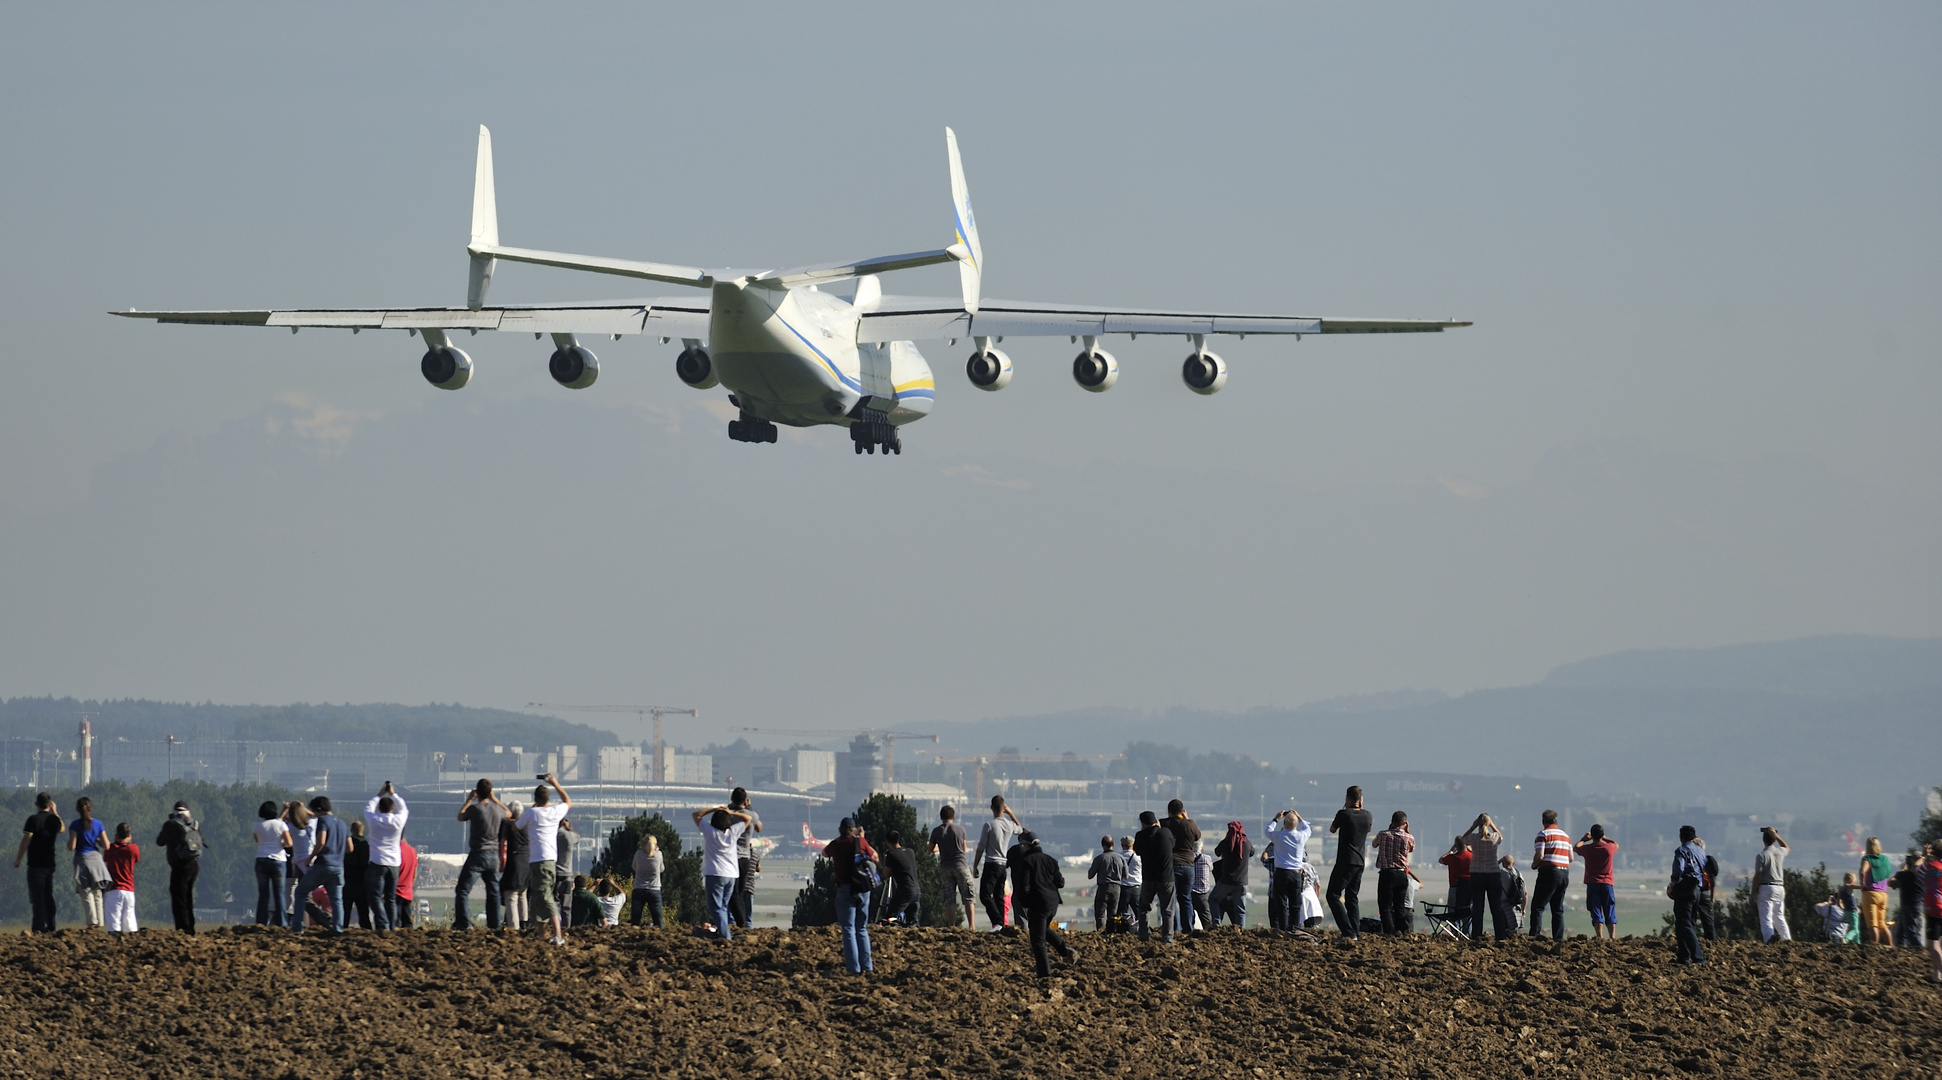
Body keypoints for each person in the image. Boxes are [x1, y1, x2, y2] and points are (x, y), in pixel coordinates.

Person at [1008, 830, 1076, 977]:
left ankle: (1044, 975)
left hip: (1038, 904)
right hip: (1053, 904)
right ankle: (1066, 951)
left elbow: (1024, 886)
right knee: (1043, 928)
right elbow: (1060, 882)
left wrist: (1024, 902)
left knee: (1038, 941)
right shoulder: (1051, 860)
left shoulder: (1027, 862)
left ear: (1026, 846)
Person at [515, 775, 573, 946]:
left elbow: (516, 826)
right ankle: (541, 933)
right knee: (539, 897)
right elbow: (568, 801)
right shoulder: (555, 812)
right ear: (548, 798)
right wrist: (555, 783)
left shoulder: (532, 813)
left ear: (535, 799)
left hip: (539, 860)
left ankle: (558, 934)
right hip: (547, 861)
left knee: (546, 898)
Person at [691, 802, 752, 941]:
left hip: (715, 872)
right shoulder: (733, 832)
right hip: (731, 874)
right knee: (723, 907)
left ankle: (725, 936)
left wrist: (713, 808)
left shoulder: (710, 831)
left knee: (715, 908)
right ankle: (721, 932)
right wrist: (731, 812)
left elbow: (696, 815)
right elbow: (747, 819)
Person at [822, 817, 877, 974]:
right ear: (854, 829)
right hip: (862, 888)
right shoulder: (860, 842)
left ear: (840, 829)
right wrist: (862, 840)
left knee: (848, 929)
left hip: (845, 888)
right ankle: (867, 966)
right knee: (862, 928)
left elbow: (824, 853)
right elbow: (875, 857)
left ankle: (854, 968)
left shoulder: (837, 844)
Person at [454, 779, 506, 931]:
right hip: (493, 855)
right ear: (490, 792)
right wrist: (495, 799)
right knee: (493, 891)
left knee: (463, 890)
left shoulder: (475, 809)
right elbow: (508, 813)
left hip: (478, 853)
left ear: (477, 792)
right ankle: (494, 925)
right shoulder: (498, 810)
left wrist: (469, 799)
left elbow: (460, 816)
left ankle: (464, 924)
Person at [296, 795, 350, 934]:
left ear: (319, 810)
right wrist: (337, 850)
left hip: (324, 864)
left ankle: (297, 927)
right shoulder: (343, 824)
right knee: (337, 900)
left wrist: (310, 858)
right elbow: (350, 848)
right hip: (338, 866)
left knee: (301, 892)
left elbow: (321, 841)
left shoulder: (323, 820)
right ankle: (338, 929)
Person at [1327, 787, 1373, 942]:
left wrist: (1345, 808)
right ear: (1361, 799)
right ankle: (1356, 932)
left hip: (1345, 860)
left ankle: (1347, 932)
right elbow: (1369, 828)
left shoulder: (1343, 814)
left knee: (1332, 895)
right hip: (1360, 861)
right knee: (1352, 897)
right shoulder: (1367, 815)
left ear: (1347, 798)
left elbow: (1332, 829)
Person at [361, 782, 410, 931]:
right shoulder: (398, 821)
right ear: (392, 808)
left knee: (375, 897)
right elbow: (404, 808)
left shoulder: (374, 820)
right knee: (390, 898)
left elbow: (368, 808)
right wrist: (393, 794)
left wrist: (379, 794)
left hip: (377, 862)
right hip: (394, 863)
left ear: (380, 808)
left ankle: (382, 924)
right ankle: (392, 926)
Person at [972, 796, 1023, 929]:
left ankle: (998, 921)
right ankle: (1002, 924)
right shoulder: (1009, 825)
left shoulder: (989, 825)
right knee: (999, 896)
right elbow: (1020, 829)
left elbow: (981, 847)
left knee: (985, 895)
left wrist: (975, 865)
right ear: (1003, 808)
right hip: (1003, 866)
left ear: (991, 808)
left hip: (991, 863)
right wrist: (1011, 813)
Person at [15, 793, 64, 933]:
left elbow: (26, 840)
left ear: (36, 804)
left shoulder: (32, 820)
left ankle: (38, 927)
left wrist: (19, 858)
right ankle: (51, 925)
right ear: (50, 804)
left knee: (38, 897)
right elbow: (62, 829)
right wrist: (55, 812)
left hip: (35, 864)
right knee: (48, 895)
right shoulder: (54, 821)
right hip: (50, 864)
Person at [155, 801, 203, 934]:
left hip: (179, 866)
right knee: (188, 896)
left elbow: (160, 841)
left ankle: (183, 928)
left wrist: (169, 824)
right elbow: (201, 840)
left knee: (178, 898)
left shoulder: (171, 825)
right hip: (194, 864)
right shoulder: (194, 824)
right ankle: (190, 926)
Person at [1132, 810, 1177, 944]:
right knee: (1167, 910)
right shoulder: (1166, 832)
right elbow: (1173, 844)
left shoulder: (1140, 835)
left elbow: (1137, 851)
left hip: (1148, 878)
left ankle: (1144, 935)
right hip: (1167, 878)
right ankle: (1167, 938)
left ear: (1142, 823)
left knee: (1144, 908)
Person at [1528, 810, 1573, 942]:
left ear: (1543, 821)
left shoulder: (1543, 834)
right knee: (1557, 909)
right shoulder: (1566, 836)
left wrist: (1534, 865)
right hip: (1564, 872)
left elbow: (1540, 855)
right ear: (1556, 821)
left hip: (1549, 871)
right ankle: (1558, 938)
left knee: (1538, 906)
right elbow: (1571, 858)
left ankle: (1534, 936)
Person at [1463, 814, 1509, 942]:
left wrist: (1473, 827)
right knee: (1496, 907)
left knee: (1478, 907)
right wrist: (1492, 825)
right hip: (1493, 874)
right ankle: (1500, 935)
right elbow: (1501, 836)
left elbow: (1462, 840)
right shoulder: (1494, 838)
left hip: (1477, 874)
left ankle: (1477, 935)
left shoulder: (1473, 838)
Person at [927, 804, 975, 931]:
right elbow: (963, 849)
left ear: (941, 817)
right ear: (953, 816)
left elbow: (930, 849)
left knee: (950, 899)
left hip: (945, 867)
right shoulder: (960, 830)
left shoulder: (937, 831)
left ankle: (951, 926)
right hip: (960, 865)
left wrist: (940, 848)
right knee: (968, 897)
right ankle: (971, 926)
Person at [1265, 809, 1313, 933]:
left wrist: (1276, 819)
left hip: (1281, 872)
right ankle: (1295, 928)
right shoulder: (1301, 836)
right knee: (1295, 904)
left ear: (1284, 823)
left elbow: (1267, 831)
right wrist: (1299, 816)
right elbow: (1308, 828)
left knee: (1281, 903)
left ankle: (1283, 928)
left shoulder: (1279, 836)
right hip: (1296, 873)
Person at [68, 797, 111, 929]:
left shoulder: (75, 825)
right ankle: (99, 922)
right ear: (90, 809)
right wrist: (96, 841)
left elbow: (72, 846)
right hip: (96, 860)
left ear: (77, 810)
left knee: (86, 892)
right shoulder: (98, 824)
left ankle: (92, 922)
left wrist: (69, 841)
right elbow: (107, 845)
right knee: (97, 892)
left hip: (82, 860)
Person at [1161, 800, 1202, 935]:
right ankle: (1188, 928)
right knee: (1186, 898)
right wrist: (1188, 819)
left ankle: (1175, 928)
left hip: (1171, 864)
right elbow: (1198, 836)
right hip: (1188, 865)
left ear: (1169, 811)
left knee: (1171, 898)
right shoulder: (1189, 825)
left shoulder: (1164, 824)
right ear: (1182, 811)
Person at [1372, 811, 1416, 936]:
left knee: (1385, 905)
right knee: (1399, 905)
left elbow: (1374, 844)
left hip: (1387, 874)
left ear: (1392, 822)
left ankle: (1389, 931)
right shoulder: (1409, 837)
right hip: (1402, 874)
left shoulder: (1383, 834)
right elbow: (1412, 848)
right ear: (1405, 823)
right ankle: (1402, 930)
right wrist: (1407, 830)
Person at [1572, 824, 1619, 940]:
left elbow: (1576, 847)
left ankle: (1599, 936)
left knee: (1596, 909)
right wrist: (1605, 838)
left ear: (1592, 835)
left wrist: (1584, 839)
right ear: (1602, 835)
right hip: (1607, 883)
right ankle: (1612, 937)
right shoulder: (1609, 848)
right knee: (1609, 909)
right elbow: (1616, 844)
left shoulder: (1588, 849)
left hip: (1592, 883)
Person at [1669, 825, 1707, 964]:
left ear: (1681, 837)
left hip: (1685, 887)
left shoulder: (1682, 850)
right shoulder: (1700, 851)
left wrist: (1673, 885)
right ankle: (1683, 956)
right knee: (1686, 923)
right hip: (1697, 887)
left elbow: (1678, 869)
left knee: (1684, 923)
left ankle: (1698, 957)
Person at [251, 800, 292, 927]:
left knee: (263, 894)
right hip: (278, 860)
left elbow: (257, 840)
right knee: (279, 893)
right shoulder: (281, 825)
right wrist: (281, 844)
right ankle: (282, 923)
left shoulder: (257, 825)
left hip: (261, 859)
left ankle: (261, 922)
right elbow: (289, 843)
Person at [728, 787, 764, 930]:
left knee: (731, 893)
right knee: (741, 893)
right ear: (745, 800)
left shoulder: (728, 815)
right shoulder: (751, 815)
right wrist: (749, 808)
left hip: (731, 857)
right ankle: (742, 923)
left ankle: (736, 923)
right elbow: (760, 828)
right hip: (745, 857)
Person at [1750, 826, 1790, 943]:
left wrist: (1753, 894)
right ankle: (1786, 939)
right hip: (1780, 887)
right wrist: (1776, 835)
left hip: (1766, 887)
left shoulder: (1761, 855)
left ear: (1763, 840)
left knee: (1766, 916)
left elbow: (1757, 875)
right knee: (1779, 916)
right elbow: (1786, 847)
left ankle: (1769, 939)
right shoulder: (1779, 852)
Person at [1210, 820, 1253, 928]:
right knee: (1240, 909)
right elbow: (1252, 852)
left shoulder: (1226, 843)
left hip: (1226, 881)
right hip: (1242, 882)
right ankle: (1240, 930)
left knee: (1213, 899)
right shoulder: (1246, 843)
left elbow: (1217, 852)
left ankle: (1216, 923)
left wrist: (1226, 838)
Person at [282, 801, 314, 931]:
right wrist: (304, 809)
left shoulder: (291, 828)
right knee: (305, 896)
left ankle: (300, 924)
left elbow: (278, 823)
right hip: (311, 862)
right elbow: (317, 817)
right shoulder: (310, 826)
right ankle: (303, 922)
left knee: (302, 896)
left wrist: (284, 810)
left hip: (299, 865)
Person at [499, 799, 530, 933]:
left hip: (514, 862)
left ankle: (514, 928)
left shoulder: (507, 825)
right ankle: (524, 924)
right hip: (527, 862)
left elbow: (500, 836)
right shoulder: (527, 825)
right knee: (522, 893)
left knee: (511, 895)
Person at [103, 823, 139, 934]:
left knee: (114, 923)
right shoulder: (133, 849)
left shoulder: (111, 849)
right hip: (129, 890)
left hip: (114, 889)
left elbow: (106, 858)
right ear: (129, 835)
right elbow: (136, 859)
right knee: (130, 923)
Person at [880, 830, 920, 926]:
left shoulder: (891, 855)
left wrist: (886, 861)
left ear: (888, 842)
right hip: (916, 890)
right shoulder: (910, 852)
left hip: (904, 890)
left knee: (891, 917)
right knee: (912, 920)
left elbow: (886, 874)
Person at [1858, 837, 1893, 947]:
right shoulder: (1885, 859)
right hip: (1884, 894)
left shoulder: (1868, 858)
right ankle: (1891, 946)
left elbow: (1863, 871)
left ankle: (1874, 947)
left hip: (1871, 893)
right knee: (1882, 924)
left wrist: (1863, 884)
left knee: (1872, 924)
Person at [1086, 835, 1124, 930]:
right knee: (1113, 913)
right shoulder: (1121, 858)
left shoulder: (1099, 858)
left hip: (1104, 887)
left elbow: (1090, 875)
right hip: (1117, 888)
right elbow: (1126, 875)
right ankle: (1111, 931)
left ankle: (1101, 931)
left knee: (1100, 913)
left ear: (1102, 845)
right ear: (1113, 845)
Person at [1438, 836, 1473, 932]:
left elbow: (1441, 859)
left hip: (1454, 888)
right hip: (1468, 889)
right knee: (1467, 914)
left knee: (1453, 913)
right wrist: (1470, 850)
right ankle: (1467, 934)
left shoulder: (1453, 857)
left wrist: (1450, 851)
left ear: (1456, 846)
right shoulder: (1472, 856)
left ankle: (1455, 933)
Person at [1889, 854, 1924, 949]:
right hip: (1917, 905)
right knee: (1900, 932)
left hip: (1908, 906)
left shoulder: (1906, 874)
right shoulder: (1921, 876)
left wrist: (1900, 872)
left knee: (1910, 933)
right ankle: (1899, 950)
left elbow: (1891, 883)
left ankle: (1920, 951)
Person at [630, 833, 665, 928]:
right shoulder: (659, 855)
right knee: (658, 921)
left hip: (638, 888)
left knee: (635, 921)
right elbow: (661, 869)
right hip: (654, 889)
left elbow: (634, 867)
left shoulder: (638, 854)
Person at [344, 821, 373, 930]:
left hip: (348, 880)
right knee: (363, 910)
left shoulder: (347, 843)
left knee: (345, 909)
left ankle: (342, 928)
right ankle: (366, 929)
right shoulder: (366, 845)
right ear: (363, 831)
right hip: (362, 881)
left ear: (351, 830)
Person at [1920, 843, 1941, 983]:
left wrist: (1924, 856)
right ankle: (1936, 976)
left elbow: (1917, 869)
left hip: (1934, 908)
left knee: (1932, 946)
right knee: (1939, 944)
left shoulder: (1930, 867)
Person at [553, 819, 579, 926]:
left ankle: (554, 927)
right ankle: (566, 928)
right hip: (567, 875)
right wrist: (569, 828)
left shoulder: (552, 835)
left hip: (554, 874)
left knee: (554, 903)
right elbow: (578, 838)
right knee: (566, 906)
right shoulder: (569, 836)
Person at [1189, 841, 1214, 932]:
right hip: (1202, 893)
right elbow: (1211, 869)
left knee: (1189, 917)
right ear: (1201, 848)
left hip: (1190, 892)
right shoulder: (1206, 858)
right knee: (1206, 919)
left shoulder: (1188, 858)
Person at [1499, 855, 1527, 933]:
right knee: (1516, 933)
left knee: (1505, 933)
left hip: (1505, 906)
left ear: (1503, 864)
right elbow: (1525, 894)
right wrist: (1523, 910)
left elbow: (1490, 868)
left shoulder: (1501, 873)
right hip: (1517, 907)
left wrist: (1500, 861)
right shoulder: (1519, 874)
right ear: (1513, 863)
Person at [395, 839, 419, 928]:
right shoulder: (413, 851)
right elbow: (414, 872)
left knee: (395, 922)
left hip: (396, 891)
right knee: (407, 923)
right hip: (408, 892)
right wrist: (410, 885)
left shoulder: (396, 851)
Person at [1117, 835, 1141, 922]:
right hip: (1136, 888)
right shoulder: (1138, 857)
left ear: (1122, 845)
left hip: (1123, 888)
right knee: (1140, 913)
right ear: (1132, 844)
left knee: (1121, 914)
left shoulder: (1118, 857)